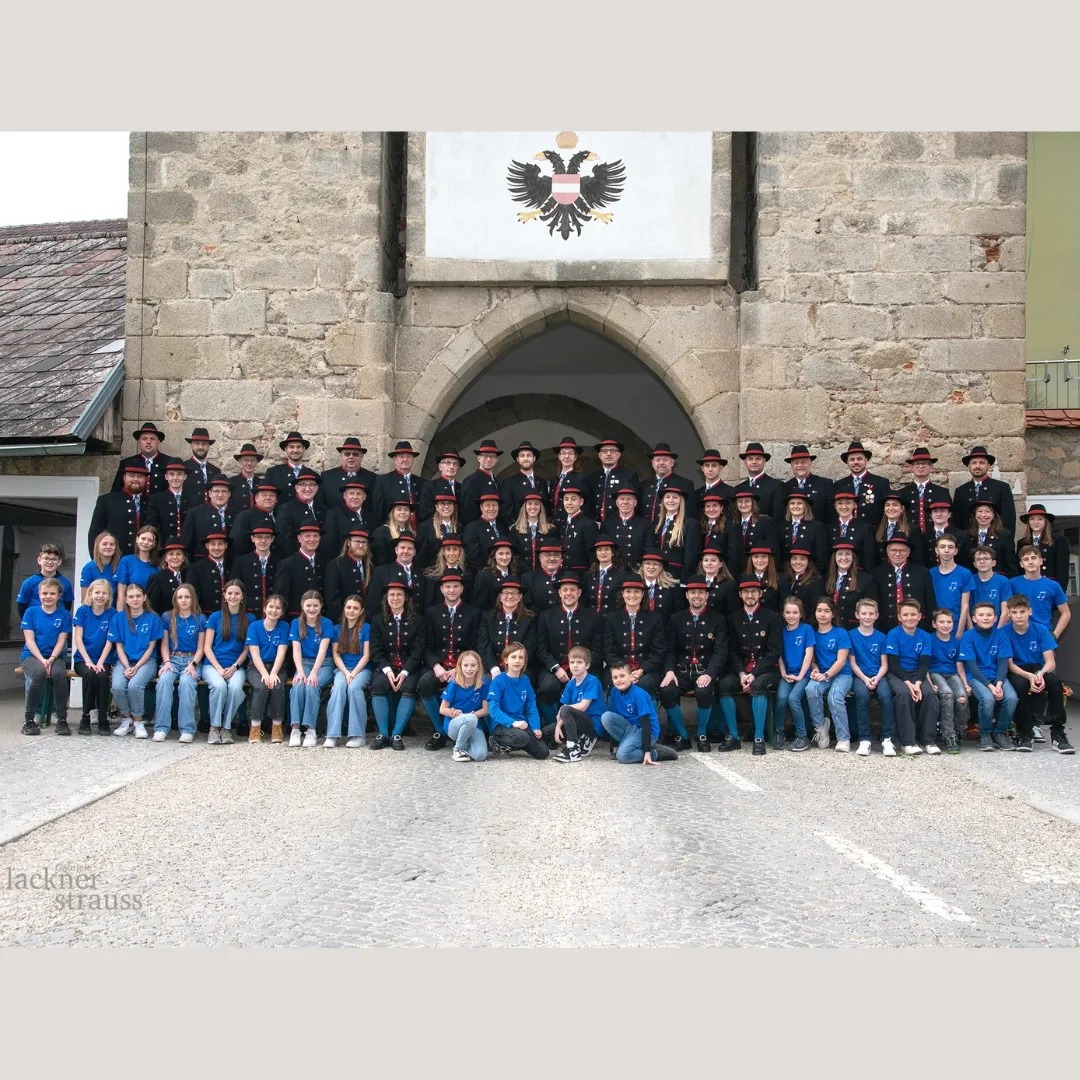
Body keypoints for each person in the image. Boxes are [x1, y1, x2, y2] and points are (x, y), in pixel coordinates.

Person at [715, 575, 783, 755]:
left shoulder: (773, 617)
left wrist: (754, 673)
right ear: (740, 595)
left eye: (754, 591)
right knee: (724, 685)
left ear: (760, 593)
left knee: (758, 685)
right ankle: (734, 736)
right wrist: (741, 673)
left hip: (767, 670)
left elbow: (774, 652)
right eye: (746, 592)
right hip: (742, 670)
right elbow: (733, 651)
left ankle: (759, 737)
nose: (750, 595)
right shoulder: (733, 618)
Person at [659, 575, 727, 751]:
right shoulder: (676, 618)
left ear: (707, 595)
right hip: (681, 671)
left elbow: (720, 651)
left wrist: (710, 674)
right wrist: (669, 671)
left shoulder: (718, 619)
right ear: (687, 595)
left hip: (704, 671)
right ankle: (682, 735)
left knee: (704, 692)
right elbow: (670, 649)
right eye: (693, 592)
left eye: (701, 592)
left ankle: (701, 733)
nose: (697, 596)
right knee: (666, 691)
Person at [1003, 593, 1073, 754]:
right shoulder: (1003, 632)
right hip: (1017, 669)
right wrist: (1029, 676)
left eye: (1022, 611)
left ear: (1030, 611)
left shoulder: (1041, 630)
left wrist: (1040, 674)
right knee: (1020, 686)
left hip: (1037, 668)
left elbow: (1050, 662)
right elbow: (1010, 665)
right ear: (1009, 614)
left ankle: (1058, 734)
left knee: (1055, 683)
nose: (1018, 616)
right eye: (1014, 612)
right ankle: (1024, 732)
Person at [418, 570, 481, 749]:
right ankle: (440, 730)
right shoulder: (431, 613)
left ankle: (464, 727)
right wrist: (436, 666)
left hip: (465, 666)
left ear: (461, 589)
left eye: (455, 586)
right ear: (442, 589)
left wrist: (460, 668)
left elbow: (475, 646)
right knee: (424, 684)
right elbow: (426, 647)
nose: (451, 590)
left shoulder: (474, 613)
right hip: (439, 665)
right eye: (447, 587)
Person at [535, 573, 603, 726]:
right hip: (555, 667)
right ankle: (553, 727)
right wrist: (555, 668)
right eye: (565, 590)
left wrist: (580, 670)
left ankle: (585, 728)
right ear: (559, 593)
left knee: (592, 685)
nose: (569, 593)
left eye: (573, 589)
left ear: (579, 593)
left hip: (586, 668)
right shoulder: (546, 616)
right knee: (547, 687)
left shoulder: (593, 617)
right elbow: (541, 649)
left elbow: (598, 651)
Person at [369, 581, 424, 750]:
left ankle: (397, 734)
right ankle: (383, 734)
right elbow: (376, 650)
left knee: (409, 687)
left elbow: (418, 651)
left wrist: (405, 671)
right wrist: (387, 670)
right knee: (378, 685)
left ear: (405, 598)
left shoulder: (418, 620)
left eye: (399, 595)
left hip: (409, 667)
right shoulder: (377, 620)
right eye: (391, 595)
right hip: (385, 666)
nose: (395, 598)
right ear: (386, 598)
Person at [958, 601, 1018, 752]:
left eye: (989, 615)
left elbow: (1003, 663)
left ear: (995, 618)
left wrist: (999, 683)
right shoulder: (968, 636)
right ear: (974, 618)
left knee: (1011, 698)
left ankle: (999, 733)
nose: (985, 618)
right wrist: (990, 686)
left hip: (997, 677)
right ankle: (984, 734)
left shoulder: (1001, 635)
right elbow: (972, 666)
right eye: (981, 615)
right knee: (988, 698)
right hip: (976, 677)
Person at [884, 598, 940, 756]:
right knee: (903, 695)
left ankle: (928, 741)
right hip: (898, 674)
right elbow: (893, 664)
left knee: (930, 695)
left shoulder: (925, 636)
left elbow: (924, 664)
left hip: (918, 674)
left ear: (919, 616)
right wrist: (909, 684)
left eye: (913, 614)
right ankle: (907, 742)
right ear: (899, 617)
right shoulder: (893, 634)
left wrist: (918, 683)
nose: (910, 618)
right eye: (905, 614)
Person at [109, 581, 163, 740]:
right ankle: (127, 718)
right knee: (117, 686)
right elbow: (119, 646)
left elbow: (151, 647)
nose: (135, 599)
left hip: (146, 661)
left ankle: (139, 721)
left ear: (144, 597)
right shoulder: (118, 618)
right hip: (124, 660)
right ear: (126, 599)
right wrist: (127, 666)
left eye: (138, 596)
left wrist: (137, 667)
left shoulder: (153, 618)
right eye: (131, 596)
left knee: (134, 685)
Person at [153, 583, 206, 743]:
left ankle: (187, 729)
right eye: (180, 597)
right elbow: (164, 644)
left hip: (192, 660)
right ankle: (161, 728)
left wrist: (193, 664)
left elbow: (201, 647)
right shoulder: (167, 617)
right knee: (164, 681)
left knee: (187, 682)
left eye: (187, 597)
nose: (183, 600)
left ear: (193, 599)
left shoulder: (200, 619)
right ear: (175, 599)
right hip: (172, 659)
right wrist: (166, 662)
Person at [20, 579, 72, 736]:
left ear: (59, 596)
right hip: (31, 656)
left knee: (59, 674)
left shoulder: (64, 615)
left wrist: (51, 658)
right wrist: (42, 661)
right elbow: (29, 641)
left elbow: (61, 640)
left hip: (55, 656)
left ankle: (62, 719)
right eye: (44, 593)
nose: (48, 596)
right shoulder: (31, 612)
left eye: (52, 593)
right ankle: (29, 720)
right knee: (39, 673)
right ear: (39, 594)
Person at [603, 576, 666, 701]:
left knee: (645, 684)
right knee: (616, 683)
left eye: (637, 591)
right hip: (618, 668)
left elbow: (658, 651)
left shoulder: (655, 618)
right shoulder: (611, 618)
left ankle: (647, 714)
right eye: (628, 591)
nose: (632, 595)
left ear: (642, 594)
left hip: (646, 669)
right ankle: (614, 713)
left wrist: (642, 670)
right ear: (623, 594)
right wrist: (624, 672)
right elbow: (608, 650)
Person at [846, 597, 895, 757]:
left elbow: (884, 664)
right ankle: (865, 739)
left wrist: (877, 678)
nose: (867, 617)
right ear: (857, 615)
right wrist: (865, 679)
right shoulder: (851, 635)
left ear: (876, 615)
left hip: (878, 675)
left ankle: (887, 738)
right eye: (864, 613)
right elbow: (853, 663)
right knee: (862, 695)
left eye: (871, 613)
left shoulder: (882, 637)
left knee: (886, 696)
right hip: (859, 676)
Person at [603, 661, 675, 765]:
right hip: (630, 729)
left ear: (631, 677)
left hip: (645, 731)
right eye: (615, 677)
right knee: (606, 717)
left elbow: (646, 723)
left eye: (622, 676)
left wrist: (647, 752)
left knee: (622, 756)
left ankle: (655, 753)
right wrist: (615, 746)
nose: (619, 680)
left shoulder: (639, 694)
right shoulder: (614, 691)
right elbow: (616, 716)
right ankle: (638, 745)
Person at [203, 581, 249, 744]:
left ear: (242, 596)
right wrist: (218, 668)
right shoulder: (215, 617)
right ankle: (214, 728)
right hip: (213, 665)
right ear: (224, 596)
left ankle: (226, 727)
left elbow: (247, 649)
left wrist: (235, 667)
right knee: (219, 686)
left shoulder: (249, 618)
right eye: (230, 593)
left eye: (237, 593)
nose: (233, 596)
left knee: (235, 688)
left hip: (236, 666)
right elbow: (207, 647)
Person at [805, 598, 854, 752]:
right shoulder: (812, 634)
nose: (822, 614)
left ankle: (843, 738)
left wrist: (825, 675)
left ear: (833, 614)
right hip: (822, 673)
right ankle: (821, 729)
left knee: (834, 697)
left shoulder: (841, 633)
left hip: (842, 674)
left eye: (827, 611)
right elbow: (812, 660)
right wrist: (815, 669)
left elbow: (841, 661)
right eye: (819, 610)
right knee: (811, 689)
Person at [324, 594, 372, 748]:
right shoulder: (336, 629)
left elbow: (366, 655)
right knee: (338, 688)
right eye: (349, 607)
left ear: (361, 611)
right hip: (343, 669)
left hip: (362, 670)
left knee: (354, 688)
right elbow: (336, 655)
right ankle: (332, 735)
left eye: (355, 608)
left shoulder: (366, 628)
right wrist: (346, 673)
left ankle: (357, 735)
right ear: (344, 609)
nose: (351, 611)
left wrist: (354, 673)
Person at [288, 590, 335, 748]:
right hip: (304, 663)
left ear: (321, 606)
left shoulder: (326, 623)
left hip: (324, 663)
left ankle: (310, 729)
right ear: (302, 605)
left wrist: (314, 673)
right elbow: (296, 650)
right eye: (308, 605)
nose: (312, 609)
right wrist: (300, 672)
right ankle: (295, 728)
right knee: (298, 685)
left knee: (312, 685)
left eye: (315, 605)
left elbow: (323, 650)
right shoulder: (296, 623)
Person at [486, 643, 549, 758]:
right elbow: (493, 710)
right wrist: (513, 723)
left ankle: (516, 743)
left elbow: (531, 707)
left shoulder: (525, 680)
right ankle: (497, 742)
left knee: (543, 753)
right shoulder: (498, 681)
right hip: (502, 725)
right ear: (506, 660)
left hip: (521, 725)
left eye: (521, 657)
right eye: (513, 657)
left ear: (525, 661)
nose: (517, 661)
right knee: (522, 738)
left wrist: (535, 727)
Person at [245, 593, 291, 744]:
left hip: (277, 666)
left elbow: (281, 652)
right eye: (271, 606)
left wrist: (274, 673)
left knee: (277, 686)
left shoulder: (284, 627)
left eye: (278, 608)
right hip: (256, 667)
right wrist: (265, 674)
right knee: (261, 686)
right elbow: (254, 654)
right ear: (265, 608)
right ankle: (255, 727)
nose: (274, 610)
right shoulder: (254, 626)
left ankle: (277, 726)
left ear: (282, 611)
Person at [548, 645, 604, 762]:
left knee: (565, 709)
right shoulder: (570, 684)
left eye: (579, 662)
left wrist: (562, 710)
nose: (575, 665)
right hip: (577, 721)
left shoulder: (592, 681)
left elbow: (582, 707)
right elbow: (565, 709)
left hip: (593, 723)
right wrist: (558, 726)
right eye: (572, 662)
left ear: (587, 665)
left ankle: (573, 750)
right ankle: (581, 739)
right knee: (547, 733)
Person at [872, 534, 935, 632]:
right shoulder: (877, 574)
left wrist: (931, 628)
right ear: (887, 552)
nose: (897, 554)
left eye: (902, 550)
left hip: (917, 627)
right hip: (886, 627)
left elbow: (930, 602)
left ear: (908, 553)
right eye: (893, 550)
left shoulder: (923, 573)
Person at [478, 578, 537, 681]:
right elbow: (483, 645)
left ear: (520, 597)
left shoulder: (530, 619)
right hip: (494, 666)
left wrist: (514, 667)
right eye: (506, 593)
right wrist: (493, 667)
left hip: (521, 667)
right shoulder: (488, 617)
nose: (510, 596)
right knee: (485, 681)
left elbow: (530, 647)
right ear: (500, 597)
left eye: (514, 593)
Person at [776, 597, 814, 751]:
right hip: (787, 674)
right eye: (788, 612)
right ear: (783, 614)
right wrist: (783, 673)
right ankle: (779, 732)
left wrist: (800, 676)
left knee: (793, 699)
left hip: (804, 674)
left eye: (795, 612)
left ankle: (802, 736)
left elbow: (808, 655)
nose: (791, 615)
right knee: (781, 698)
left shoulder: (806, 629)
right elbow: (779, 655)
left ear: (801, 614)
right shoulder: (780, 631)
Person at [439, 650, 491, 762]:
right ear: (460, 667)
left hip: (474, 724)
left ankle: (466, 745)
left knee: (480, 756)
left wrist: (471, 715)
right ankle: (458, 749)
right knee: (470, 719)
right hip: (454, 723)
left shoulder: (484, 683)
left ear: (478, 667)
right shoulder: (454, 683)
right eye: (465, 665)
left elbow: (486, 710)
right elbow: (442, 709)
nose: (469, 669)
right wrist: (453, 713)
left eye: (473, 665)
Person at [951, 445, 1016, 534]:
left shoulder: (1002, 488)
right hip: (967, 540)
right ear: (969, 466)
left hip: (995, 539)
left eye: (982, 463)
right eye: (974, 463)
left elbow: (1009, 520)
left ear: (988, 465)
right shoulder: (961, 491)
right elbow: (957, 522)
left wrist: (1006, 540)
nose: (977, 466)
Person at [1010, 545, 1071, 640]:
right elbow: (1005, 610)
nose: (1030, 562)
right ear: (1021, 564)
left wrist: (1055, 635)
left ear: (1041, 561)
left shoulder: (1053, 585)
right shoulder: (1012, 584)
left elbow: (1066, 613)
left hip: (1043, 634)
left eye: (1033, 558)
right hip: (1017, 635)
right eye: (1026, 559)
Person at [927, 608, 967, 754]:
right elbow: (925, 664)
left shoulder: (956, 641)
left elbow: (959, 665)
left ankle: (958, 729)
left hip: (952, 673)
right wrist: (930, 684)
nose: (945, 625)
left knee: (962, 697)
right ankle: (949, 735)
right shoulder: (929, 639)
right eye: (941, 622)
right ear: (934, 624)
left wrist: (966, 684)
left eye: (949, 622)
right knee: (947, 694)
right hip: (935, 673)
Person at [87, 463, 149, 555]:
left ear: (145, 479)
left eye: (140, 476)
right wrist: (97, 560)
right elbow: (95, 533)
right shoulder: (107, 500)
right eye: (131, 475)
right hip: (115, 558)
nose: (135, 479)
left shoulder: (152, 501)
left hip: (145, 558)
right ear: (124, 478)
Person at [110, 421, 180, 495]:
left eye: (152, 439)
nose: (148, 442)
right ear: (139, 441)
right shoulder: (127, 463)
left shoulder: (169, 463)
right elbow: (115, 493)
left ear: (158, 441)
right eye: (144, 438)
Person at [272, 523, 326, 619]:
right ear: (299, 538)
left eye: (315, 536)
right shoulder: (287, 564)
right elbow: (281, 596)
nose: (312, 539)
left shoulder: (324, 563)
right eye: (307, 536)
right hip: (295, 618)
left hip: (320, 618)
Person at [833, 440, 890, 530]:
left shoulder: (881, 483)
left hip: (873, 533)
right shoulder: (839, 485)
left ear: (866, 460)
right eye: (852, 459)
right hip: (846, 533)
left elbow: (886, 513)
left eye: (859, 459)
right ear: (847, 462)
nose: (856, 462)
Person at [897, 447, 950, 538]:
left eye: (924, 463)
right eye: (917, 463)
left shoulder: (942, 492)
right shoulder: (902, 493)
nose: (921, 466)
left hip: (935, 539)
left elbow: (950, 520)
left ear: (931, 467)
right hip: (909, 539)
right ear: (912, 468)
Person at [724, 487, 779, 575]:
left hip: (759, 571)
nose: (743, 504)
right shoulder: (732, 524)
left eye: (747, 501)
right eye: (740, 501)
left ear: (753, 503)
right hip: (737, 572)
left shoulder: (765, 522)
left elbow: (773, 549)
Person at [654, 478, 700, 583]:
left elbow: (690, 557)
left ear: (681, 501)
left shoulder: (690, 524)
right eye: (667, 497)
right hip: (657, 576)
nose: (671, 500)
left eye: (675, 497)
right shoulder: (657, 524)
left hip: (676, 576)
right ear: (663, 500)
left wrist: (684, 581)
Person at [1016, 503, 1070, 591]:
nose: (1036, 522)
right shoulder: (1022, 542)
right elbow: (1020, 569)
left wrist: (1060, 591)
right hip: (1028, 587)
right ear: (1028, 522)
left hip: (1050, 586)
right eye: (1032, 519)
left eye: (1040, 519)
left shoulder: (1058, 540)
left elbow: (1062, 569)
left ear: (1045, 521)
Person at [367, 531, 424, 614]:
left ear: (414, 552)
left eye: (410, 548)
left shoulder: (421, 573)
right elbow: (373, 602)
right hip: (388, 620)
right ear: (396, 550)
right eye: (402, 547)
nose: (406, 551)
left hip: (417, 620)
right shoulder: (381, 572)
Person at [316, 437, 376, 516]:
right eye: (347, 454)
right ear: (341, 456)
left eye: (355, 454)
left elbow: (374, 506)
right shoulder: (327, 477)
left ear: (362, 457)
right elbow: (320, 505)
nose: (351, 457)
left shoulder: (372, 478)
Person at [586, 438, 639, 527]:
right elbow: (587, 503)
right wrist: (592, 522)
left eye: (613, 451)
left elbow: (634, 503)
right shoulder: (591, 477)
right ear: (599, 455)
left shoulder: (629, 475)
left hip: (617, 525)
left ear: (619, 455)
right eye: (604, 451)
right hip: (594, 525)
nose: (609, 454)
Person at [929, 534, 975, 636]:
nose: (946, 550)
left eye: (950, 547)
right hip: (936, 625)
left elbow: (965, 605)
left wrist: (960, 632)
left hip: (956, 623)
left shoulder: (965, 573)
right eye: (942, 547)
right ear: (936, 550)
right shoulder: (931, 573)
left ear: (956, 551)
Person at [182, 476, 236, 560]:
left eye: (224, 491)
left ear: (229, 494)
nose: (220, 495)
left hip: (230, 562)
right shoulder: (195, 512)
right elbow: (186, 541)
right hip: (201, 562)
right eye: (216, 491)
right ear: (210, 493)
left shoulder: (238, 513)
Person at [826, 541, 877, 630]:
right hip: (829, 629)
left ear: (853, 557)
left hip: (853, 630)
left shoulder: (866, 579)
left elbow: (872, 609)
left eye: (848, 554)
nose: (844, 558)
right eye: (840, 554)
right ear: (834, 557)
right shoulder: (825, 578)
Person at [232, 525, 280, 618]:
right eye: (259, 537)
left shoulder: (280, 562)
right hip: (248, 613)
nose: (263, 541)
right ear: (252, 538)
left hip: (273, 614)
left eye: (267, 537)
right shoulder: (241, 562)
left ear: (272, 539)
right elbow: (236, 588)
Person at [323, 529, 370, 622]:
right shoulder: (336, 565)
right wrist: (344, 620)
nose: (361, 545)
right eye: (357, 542)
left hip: (365, 620)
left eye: (364, 542)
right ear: (348, 543)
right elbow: (332, 598)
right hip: (343, 620)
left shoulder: (370, 567)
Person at [274, 469, 323, 556]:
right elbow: (284, 540)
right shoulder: (286, 509)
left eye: (312, 485)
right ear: (297, 488)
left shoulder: (322, 508)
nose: (307, 489)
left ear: (316, 488)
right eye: (303, 484)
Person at [319, 478, 370, 562]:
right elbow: (328, 544)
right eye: (351, 493)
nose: (355, 497)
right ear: (344, 496)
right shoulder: (334, 514)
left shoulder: (371, 517)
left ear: (364, 497)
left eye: (359, 494)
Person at [500, 440, 550, 525]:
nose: (526, 458)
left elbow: (546, 509)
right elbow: (506, 512)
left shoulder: (542, 482)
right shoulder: (509, 483)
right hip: (518, 529)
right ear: (517, 459)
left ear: (534, 458)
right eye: (522, 456)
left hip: (541, 529)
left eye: (529, 455)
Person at [16, 543, 74, 615]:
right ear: (39, 560)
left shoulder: (66, 583)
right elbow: (21, 606)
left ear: (59, 562)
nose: (50, 562)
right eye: (46, 558)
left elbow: (67, 606)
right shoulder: (28, 583)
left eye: (54, 559)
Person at [782, 445, 834, 525]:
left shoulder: (825, 484)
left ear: (810, 463)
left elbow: (832, 515)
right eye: (796, 463)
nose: (800, 465)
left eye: (803, 462)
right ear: (791, 466)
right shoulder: (785, 487)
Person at [737, 442, 785, 526]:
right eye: (750, 459)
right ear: (745, 462)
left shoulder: (776, 486)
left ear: (764, 461)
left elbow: (779, 520)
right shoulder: (738, 488)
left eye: (758, 459)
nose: (754, 462)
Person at [641, 442, 689, 524]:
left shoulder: (684, 484)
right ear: (652, 463)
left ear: (672, 462)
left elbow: (689, 515)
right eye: (658, 460)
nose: (661, 463)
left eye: (665, 460)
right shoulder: (643, 485)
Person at [115, 526, 161, 612]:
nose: (145, 542)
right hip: (131, 610)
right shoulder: (126, 561)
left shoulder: (159, 565)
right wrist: (120, 615)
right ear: (137, 539)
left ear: (154, 544)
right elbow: (121, 594)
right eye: (143, 538)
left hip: (152, 612)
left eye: (150, 540)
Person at [781, 491, 828, 574]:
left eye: (799, 503)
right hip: (785, 574)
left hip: (810, 574)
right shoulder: (781, 527)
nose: (795, 506)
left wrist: (813, 575)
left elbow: (821, 556)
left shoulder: (817, 527)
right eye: (792, 503)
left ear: (806, 506)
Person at [968, 499, 1018, 578]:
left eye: (988, 511)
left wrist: (1012, 581)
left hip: (997, 578)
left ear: (994, 515)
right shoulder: (967, 535)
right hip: (973, 579)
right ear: (974, 515)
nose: (983, 515)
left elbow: (1010, 562)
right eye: (980, 511)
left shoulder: (1004, 535)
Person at [264, 431, 316, 506]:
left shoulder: (314, 475)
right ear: (285, 449)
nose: (295, 450)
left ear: (304, 449)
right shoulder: (273, 473)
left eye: (299, 447)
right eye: (291, 447)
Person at [459, 439, 502, 527]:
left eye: (492, 456)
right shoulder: (471, 480)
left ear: (496, 459)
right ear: (479, 458)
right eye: (485, 456)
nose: (489, 459)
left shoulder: (496, 481)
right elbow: (467, 513)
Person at [829, 491, 875, 572]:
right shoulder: (828, 528)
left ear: (854, 505)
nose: (844, 507)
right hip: (833, 574)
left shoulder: (865, 528)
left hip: (857, 573)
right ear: (835, 506)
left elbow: (869, 559)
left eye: (848, 503)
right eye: (840, 503)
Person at [231, 482, 279, 559]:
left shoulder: (280, 515)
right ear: (256, 498)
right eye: (264, 495)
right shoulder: (245, 516)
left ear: (276, 499)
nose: (268, 498)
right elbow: (238, 545)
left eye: (272, 495)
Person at [874, 494, 925, 567]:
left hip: (905, 571)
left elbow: (918, 557)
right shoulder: (876, 529)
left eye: (895, 505)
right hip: (882, 571)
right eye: (887, 505)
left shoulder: (913, 529)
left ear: (902, 508)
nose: (890, 508)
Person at [147, 461, 191, 545]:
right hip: (164, 546)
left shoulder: (193, 499)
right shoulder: (156, 499)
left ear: (185, 476)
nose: (175, 478)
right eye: (171, 474)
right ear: (166, 476)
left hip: (187, 547)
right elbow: (153, 526)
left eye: (179, 474)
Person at [557, 482, 598, 572]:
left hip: (581, 574)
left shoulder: (588, 524)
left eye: (573, 499)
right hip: (563, 573)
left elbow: (592, 556)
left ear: (581, 502)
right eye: (566, 499)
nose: (569, 503)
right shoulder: (562, 524)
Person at [549, 435, 589, 528]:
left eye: (570, 453)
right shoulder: (554, 480)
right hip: (554, 526)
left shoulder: (582, 479)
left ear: (575, 457)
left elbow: (586, 506)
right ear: (559, 456)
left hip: (572, 526)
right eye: (563, 453)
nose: (566, 456)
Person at [417, 449, 466, 524]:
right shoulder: (429, 486)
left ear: (458, 467)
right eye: (448, 463)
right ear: (440, 467)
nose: (451, 466)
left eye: (455, 464)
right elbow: (424, 513)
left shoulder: (462, 488)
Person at [187, 530, 231, 615]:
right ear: (207, 546)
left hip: (230, 615)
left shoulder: (233, 565)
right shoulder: (195, 568)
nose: (217, 548)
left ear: (226, 545)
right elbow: (192, 595)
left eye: (220, 544)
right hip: (206, 615)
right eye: (213, 544)